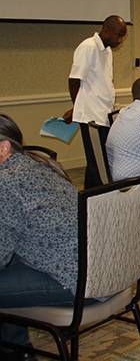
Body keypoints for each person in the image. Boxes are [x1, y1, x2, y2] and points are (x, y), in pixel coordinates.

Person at [0, 114, 80, 358]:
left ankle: (15, 352)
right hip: (101, 270)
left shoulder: (6, 182)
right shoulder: (37, 166)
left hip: (76, 282)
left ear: (3, 147)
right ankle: (17, 349)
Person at [64, 15, 128, 189]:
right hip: (92, 117)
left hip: (103, 114)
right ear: (105, 30)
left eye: (122, 36)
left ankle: (89, 202)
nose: (120, 40)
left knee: (97, 163)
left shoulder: (106, 51)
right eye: (117, 35)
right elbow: (75, 80)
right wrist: (77, 106)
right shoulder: (88, 47)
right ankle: (97, 202)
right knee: (98, 165)